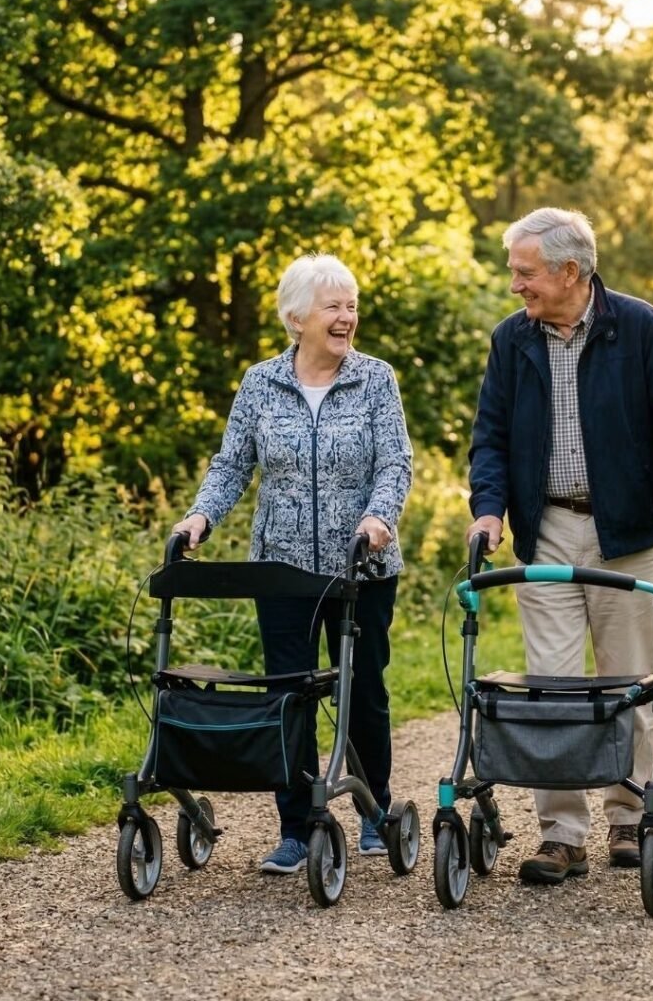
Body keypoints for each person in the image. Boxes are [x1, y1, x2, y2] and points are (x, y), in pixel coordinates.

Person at [466, 207, 653, 885]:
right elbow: (490, 439)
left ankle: (630, 820)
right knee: (554, 688)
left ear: (569, 271)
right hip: (546, 529)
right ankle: (562, 834)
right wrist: (488, 511)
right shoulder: (511, 341)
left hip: (629, 537)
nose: (515, 286)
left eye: (525, 273)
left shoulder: (639, 328)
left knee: (629, 680)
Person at [172, 253, 413, 875]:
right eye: (333, 306)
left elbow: (395, 464)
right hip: (280, 570)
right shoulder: (260, 383)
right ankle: (296, 824)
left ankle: (372, 811)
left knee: (364, 692)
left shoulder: (376, 379)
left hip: (360, 567)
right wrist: (199, 517)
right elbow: (231, 466)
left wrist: (379, 519)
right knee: (289, 693)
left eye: (352, 305)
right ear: (296, 317)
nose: (347, 317)